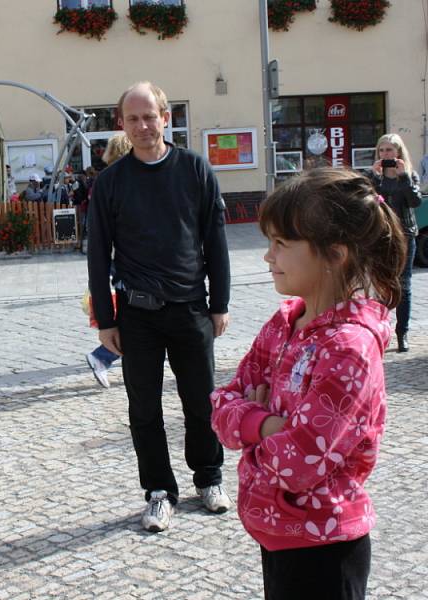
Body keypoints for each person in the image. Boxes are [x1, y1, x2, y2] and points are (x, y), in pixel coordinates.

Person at [211, 168, 407, 600]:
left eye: (281, 244)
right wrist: (266, 424)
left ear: (334, 255)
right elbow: (221, 404)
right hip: (277, 533)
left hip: (324, 546)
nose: (268, 256)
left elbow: (299, 463)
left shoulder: (348, 349)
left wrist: (251, 434)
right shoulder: (285, 323)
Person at [87, 81, 231, 532]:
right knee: (143, 409)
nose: (143, 126)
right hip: (138, 314)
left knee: (202, 402)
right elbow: (98, 255)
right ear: (123, 125)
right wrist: (106, 321)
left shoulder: (194, 169)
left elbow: (216, 242)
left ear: (166, 117)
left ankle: (208, 478)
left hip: (191, 308)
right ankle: (158, 491)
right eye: (133, 119)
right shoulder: (111, 183)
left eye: (150, 116)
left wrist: (220, 303)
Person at [84, 132, 133, 388]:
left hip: (116, 259)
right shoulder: (118, 180)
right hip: (122, 259)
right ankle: (102, 356)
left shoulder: (107, 179)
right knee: (135, 321)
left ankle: (104, 356)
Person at [370, 133, 421, 352]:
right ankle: (380, 332)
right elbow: (367, 202)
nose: (385, 154)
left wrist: (405, 179)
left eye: (389, 150)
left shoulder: (409, 175)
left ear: (398, 152)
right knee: (381, 285)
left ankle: (402, 333)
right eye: (382, 150)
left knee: (404, 286)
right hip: (382, 236)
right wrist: (374, 178)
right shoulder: (375, 177)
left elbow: (415, 201)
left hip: (406, 235)